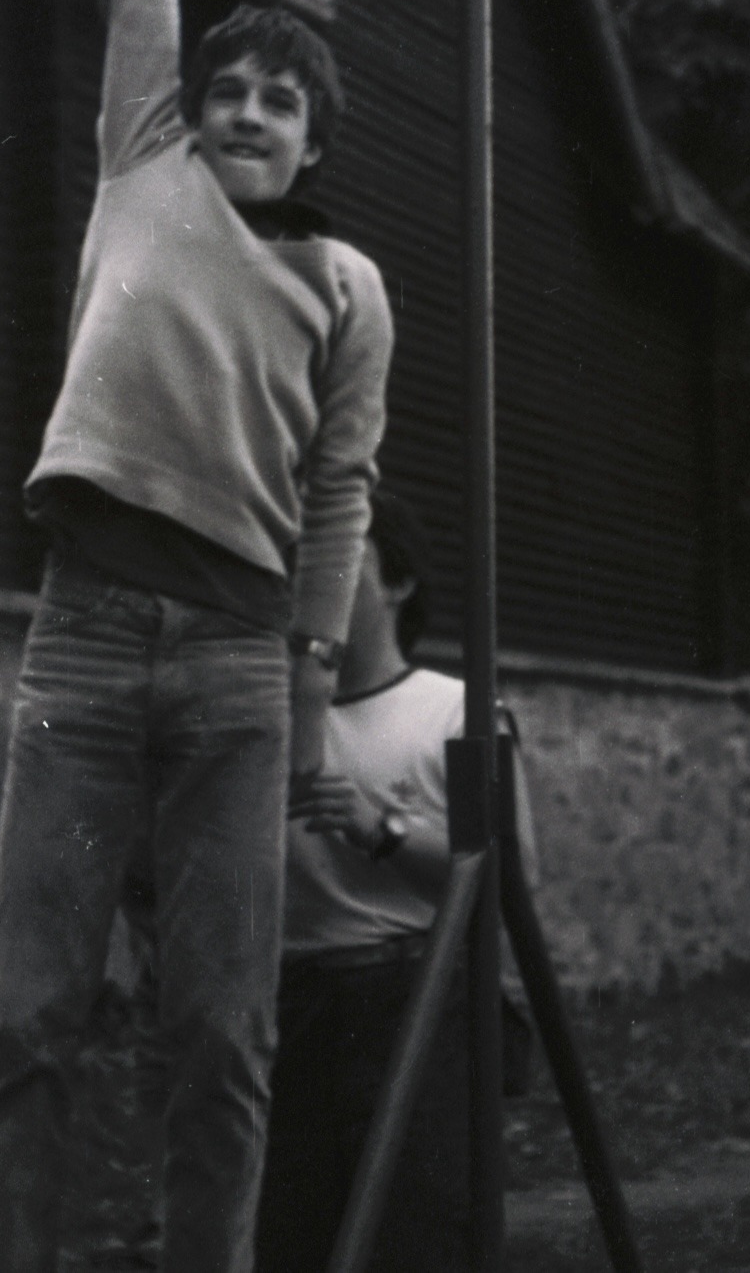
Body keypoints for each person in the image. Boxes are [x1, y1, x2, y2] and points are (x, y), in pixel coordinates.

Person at [0, 0, 393, 1272]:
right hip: (80, 648)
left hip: (234, 664)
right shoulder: (141, 161)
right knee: (26, 1023)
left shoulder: (346, 285)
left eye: (283, 97)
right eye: (233, 85)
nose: (250, 108)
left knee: (223, 1041)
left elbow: (337, 495)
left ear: (314, 138)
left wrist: (306, 697)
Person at [254, 489, 539, 1273]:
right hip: (291, 1006)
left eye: (340, 561)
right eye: (297, 568)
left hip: (414, 1001)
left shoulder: (457, 710)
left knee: (417, 1233)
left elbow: (511, 881)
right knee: (293, 1234)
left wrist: (381, 830)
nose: (312, 585)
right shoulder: (267, 722)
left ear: (399, 583)